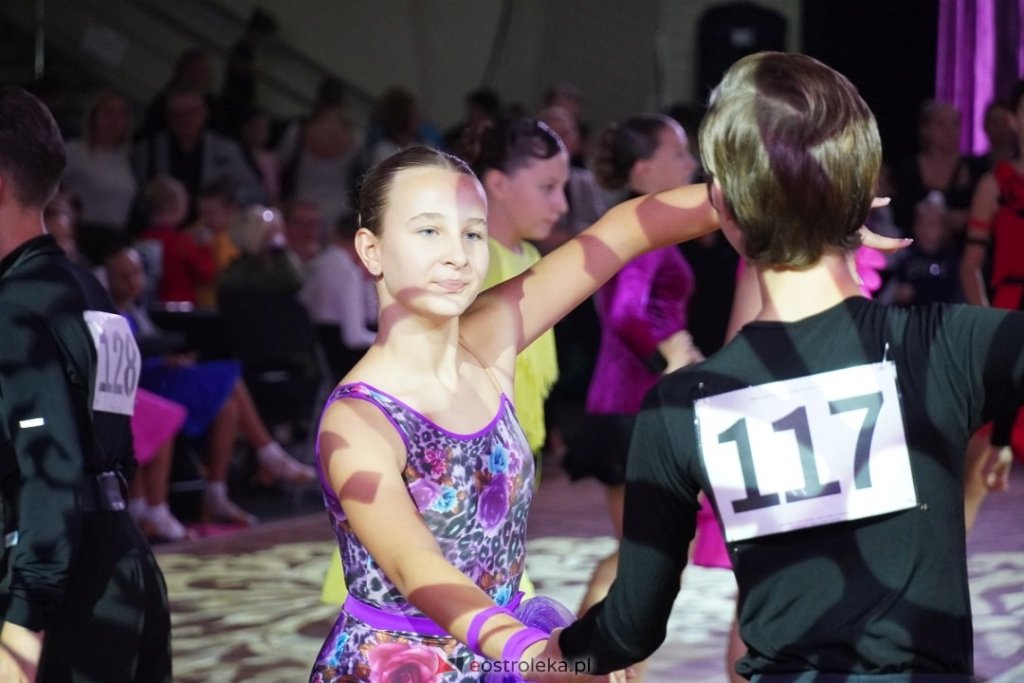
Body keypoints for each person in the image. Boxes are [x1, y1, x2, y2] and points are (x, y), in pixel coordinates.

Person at [553, 51, 1019, 681]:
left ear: (723, 205)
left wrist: (542, 661)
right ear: (861, 195)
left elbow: (626, 631)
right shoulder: (946, 345)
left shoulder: (683, 405)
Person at [309, 141, 728, 681]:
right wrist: (532, 653)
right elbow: (416, 567)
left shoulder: (490, 339)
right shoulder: (357, 420)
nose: (458, 254)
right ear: (371, 250)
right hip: (402, 669)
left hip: (500, 653)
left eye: (473, 233)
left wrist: (802, 208)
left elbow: (627, 230)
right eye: (429, 230)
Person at [0, 86, 171, 681]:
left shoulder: (14, 308)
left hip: (65, 594)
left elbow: (52, 476)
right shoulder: (88, 290)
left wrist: (19, 627)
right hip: (125, 568)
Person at [565, 115, 703, 636]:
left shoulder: (638, 221)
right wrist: (664, 362)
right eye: (679, 153)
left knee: (646, 557)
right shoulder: (644, 224)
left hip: (628, 404)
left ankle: (585, 661)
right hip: (634, 407)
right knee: (645, 559)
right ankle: (578, 661)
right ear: (644, 169)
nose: (690, 164)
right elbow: (625, 312)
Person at [470, 118, 569, 460]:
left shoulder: (530, 255)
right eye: (548, 187)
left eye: (562, 188)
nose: (562, 204)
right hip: (479, 449)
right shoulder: (472, 259)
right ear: (498, 184)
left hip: (522, 450)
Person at [62, 89, 138, 264]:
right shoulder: (75, 151)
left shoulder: (129, 157)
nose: (115, 119)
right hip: (84, 235)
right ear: (94, 117)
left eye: (121, 114)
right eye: (109, 112)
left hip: (116, 237)